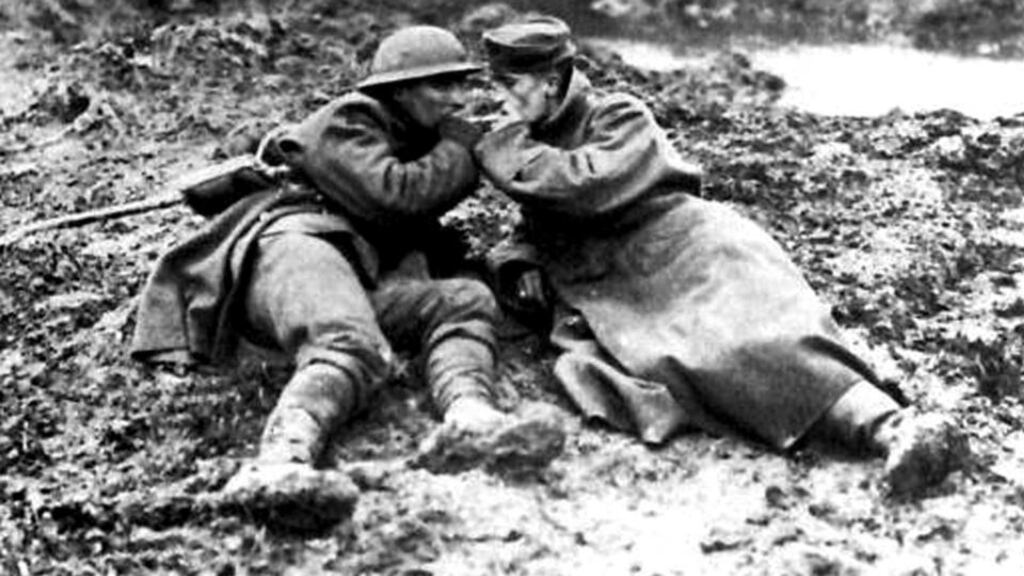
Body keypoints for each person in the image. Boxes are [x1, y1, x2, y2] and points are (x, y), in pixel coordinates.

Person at [473, 16, 969, 498]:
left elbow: (582, 186)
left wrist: (502, 147)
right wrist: (521, 260)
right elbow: (538, 221)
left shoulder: (617, 114)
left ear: (552, 80)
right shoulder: (536, 139)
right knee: (689, 360)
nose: (503, 99)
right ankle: (875, 417)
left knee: (757, 334)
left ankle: (894, 428)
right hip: (619, 277)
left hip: (684, 244)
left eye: (511, 85)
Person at [130, 25, 564, 531]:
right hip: (294, 252)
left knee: (463, 299)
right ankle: (280, 464)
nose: (458, 100)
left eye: (461, 86)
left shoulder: (411, 135)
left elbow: (420, 235)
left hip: (350, 273)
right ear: (399, 90)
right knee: (351, 344)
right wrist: (464, 149)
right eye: (441, 87)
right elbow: (398, 197)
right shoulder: (349, 120)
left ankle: (471, 419)